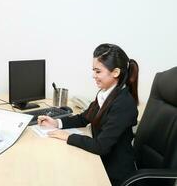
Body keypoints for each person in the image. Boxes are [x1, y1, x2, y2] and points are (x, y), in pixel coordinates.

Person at [38, 43, 139, 186]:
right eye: (94, 71)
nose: (94, 76)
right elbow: (84, 117)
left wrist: (68, 137)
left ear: (115, 72)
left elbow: (101, 146)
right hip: (103, 162)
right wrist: (57, 123)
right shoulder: (106, 93)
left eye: (98, 71)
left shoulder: (123, 104)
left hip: (114, 174)